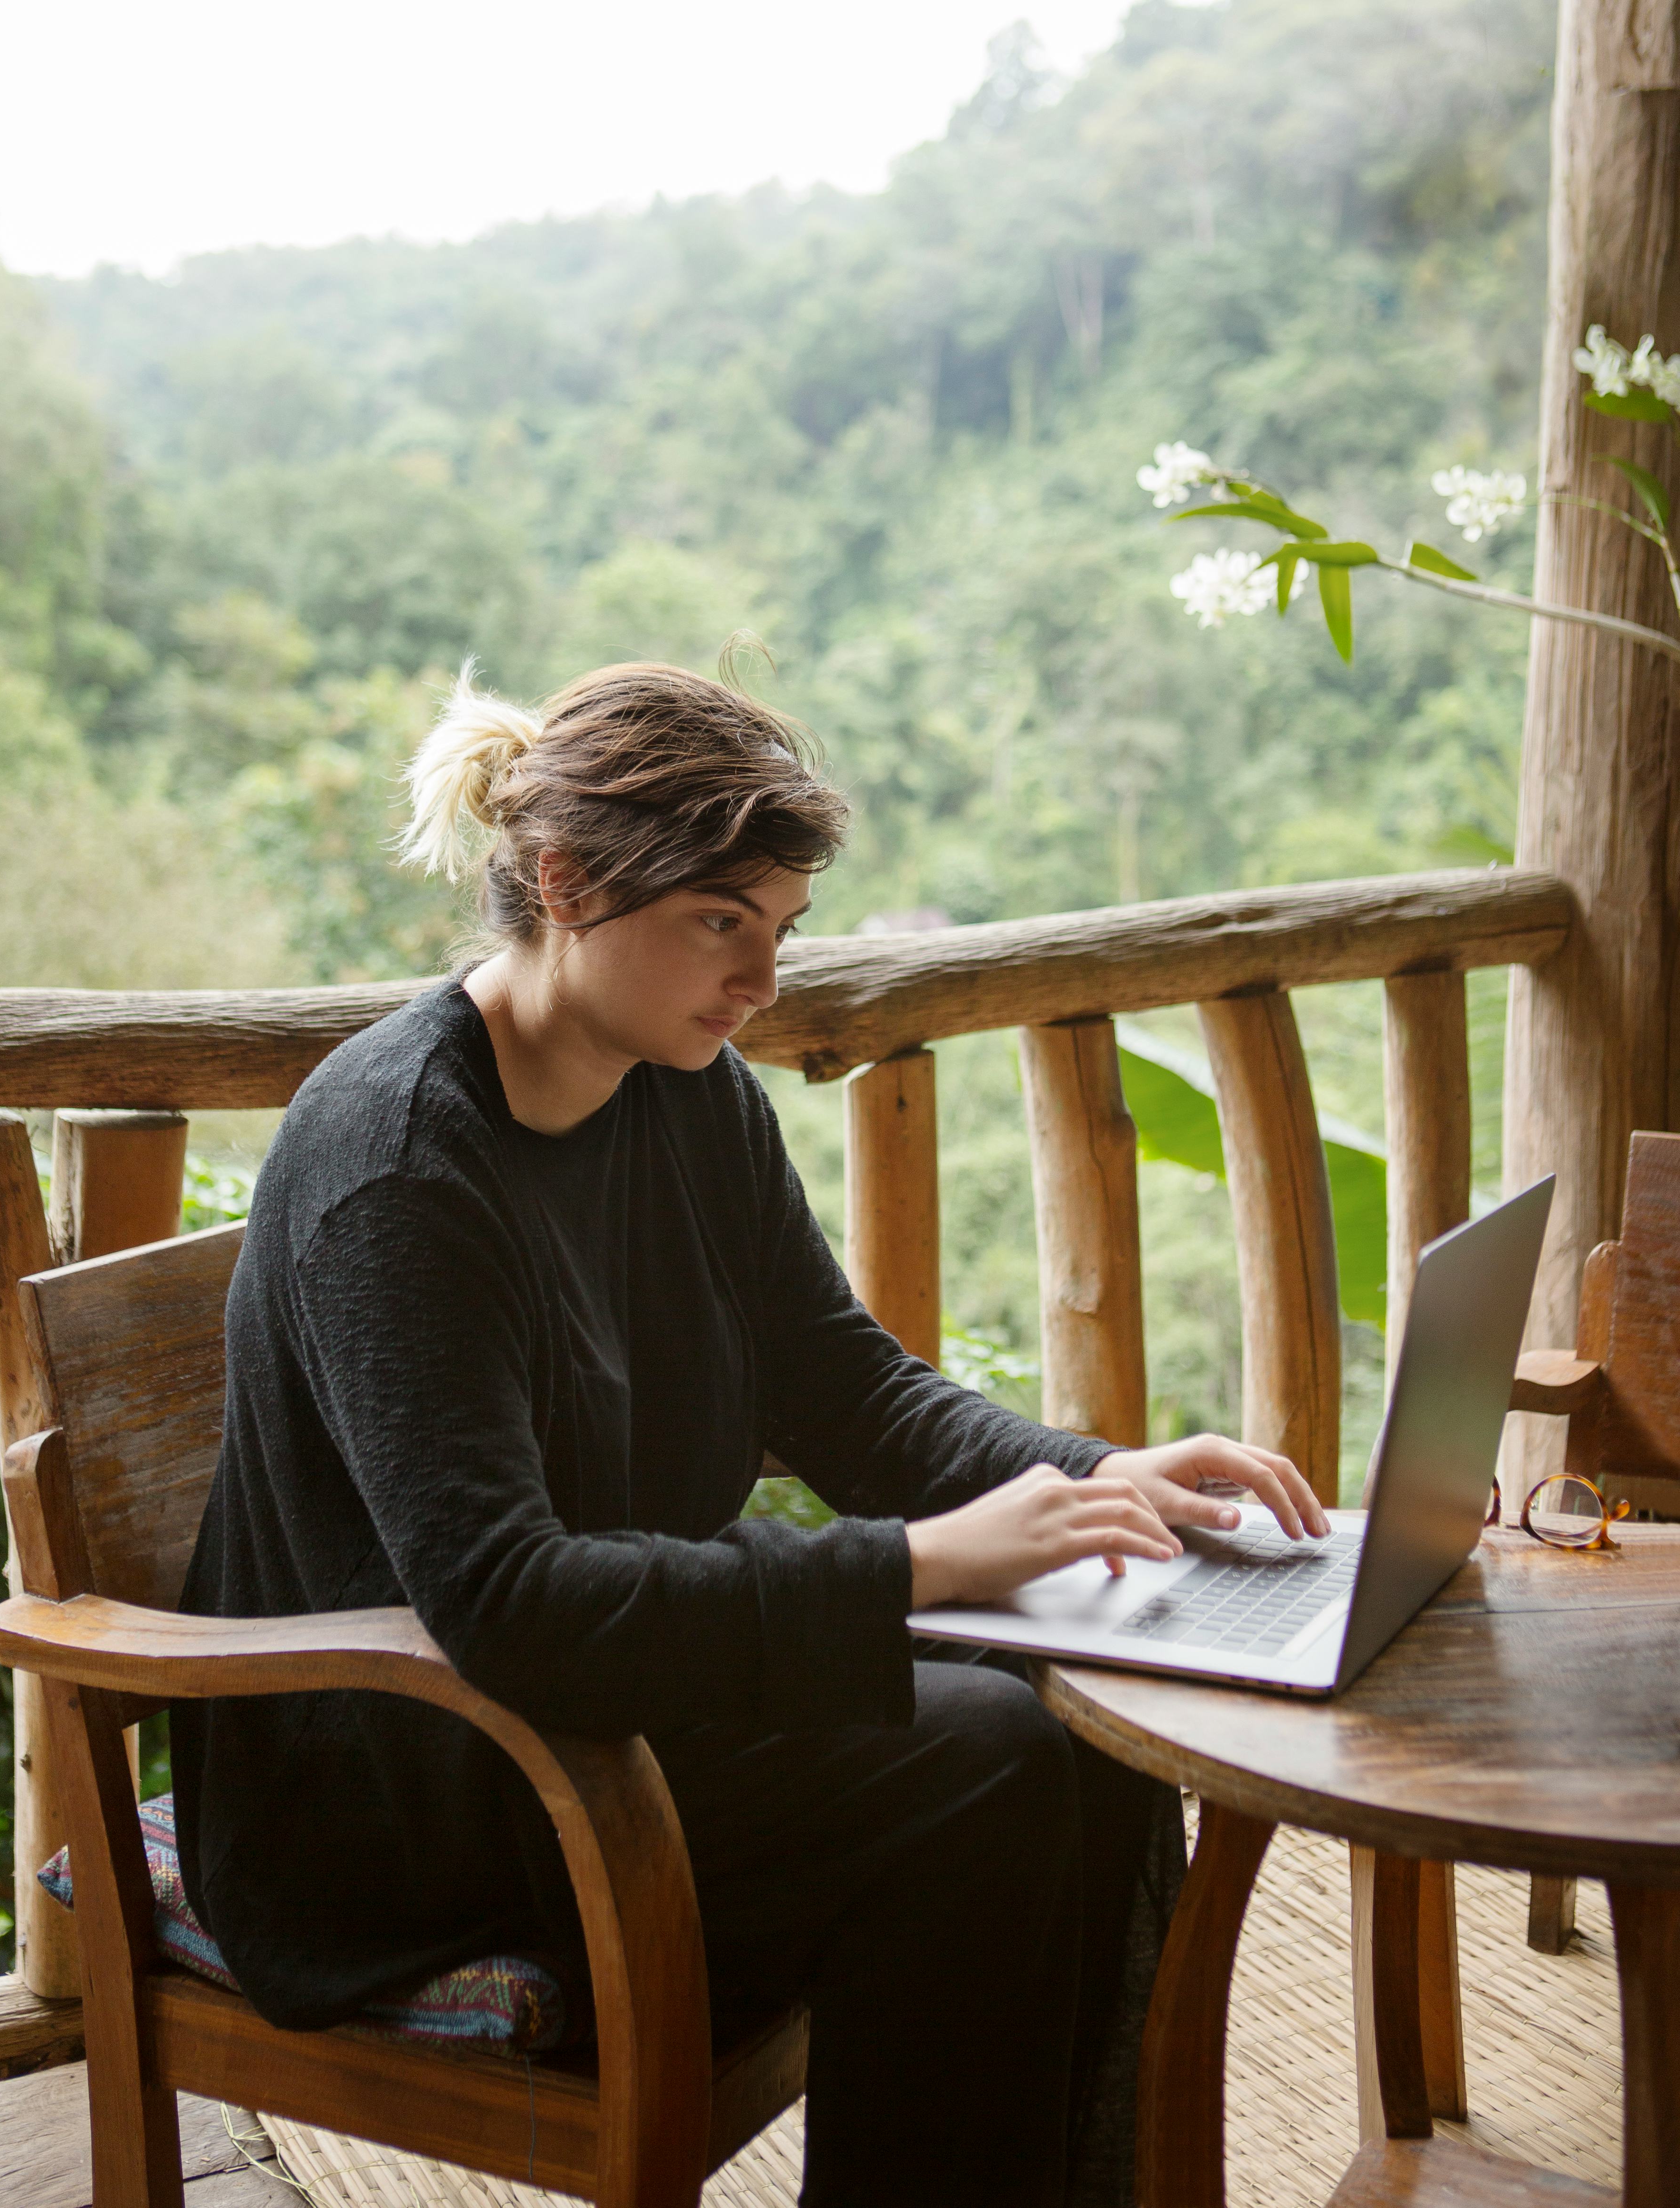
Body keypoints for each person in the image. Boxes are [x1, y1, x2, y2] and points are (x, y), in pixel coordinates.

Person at [171, 654, 1328, 2207]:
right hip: (417, 1783)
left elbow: (838, 1384)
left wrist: (1096, 1477)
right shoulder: (402, 1169)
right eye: (723, 923)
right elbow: (508, 1604)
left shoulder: (684, 1087)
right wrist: (917, 1567)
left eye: (778, 930)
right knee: (984, 1764)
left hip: (610, 1709)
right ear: (568, 881)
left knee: (1088, 1725)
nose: (762, 980)